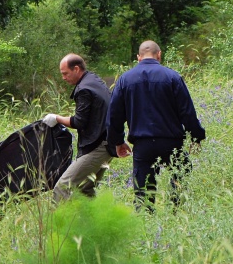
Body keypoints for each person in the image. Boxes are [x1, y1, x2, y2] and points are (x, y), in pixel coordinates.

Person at [107, 40, 206, 212]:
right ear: (159, 55)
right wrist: (196, 137)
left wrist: (117, 141)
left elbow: (114, 117)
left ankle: (147, 231)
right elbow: (187, 113)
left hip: (142, 145)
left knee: (143, 194)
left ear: (138, 58)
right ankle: (176, 218)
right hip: (172, 142)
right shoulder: (172, 77)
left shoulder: (124, 80)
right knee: (179, 183)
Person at [43, 54, 113, 202]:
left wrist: (57, 118)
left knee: (62, 187)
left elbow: (79, 122)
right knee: (84, 189)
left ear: (76, 69)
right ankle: (91, 224)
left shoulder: (84, 89)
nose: (63, 77)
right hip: (108, 143)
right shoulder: (94, 80)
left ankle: (60, 225)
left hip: (98, 146)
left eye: (65, 73)